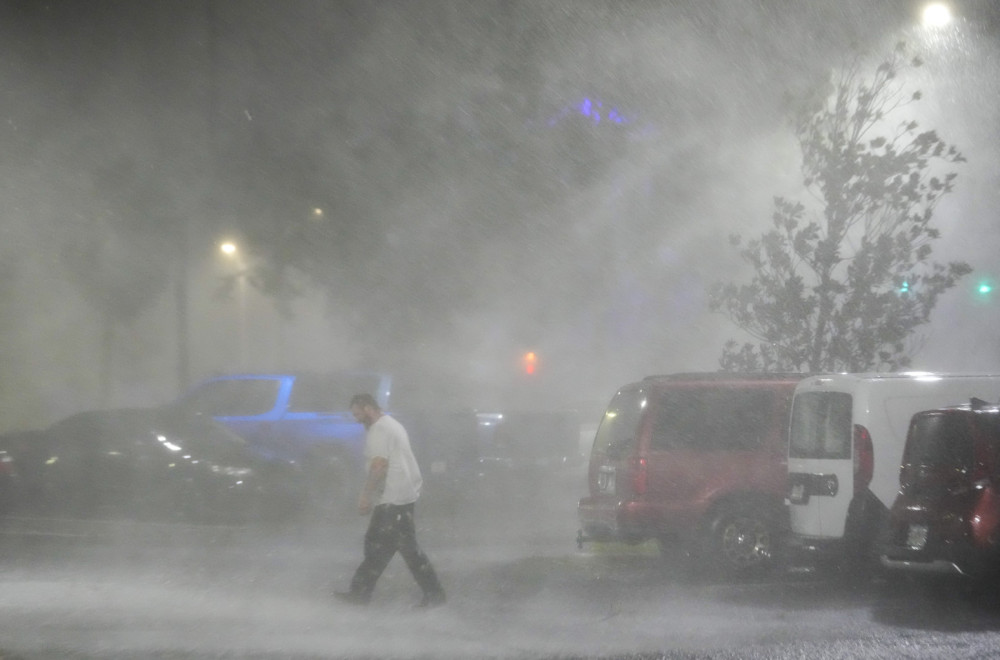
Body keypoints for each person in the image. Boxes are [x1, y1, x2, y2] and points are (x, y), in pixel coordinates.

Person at [334, 393, 446, 608]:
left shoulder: (379, 429)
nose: (357, 419)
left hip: (394, 499)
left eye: (358, 414)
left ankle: (434, 595)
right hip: (400, 496)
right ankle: (360, 592)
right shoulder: (391, 424)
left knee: (405, 549)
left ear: (368, 408)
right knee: (378, 545)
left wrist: (365, 495)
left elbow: (379, 466)